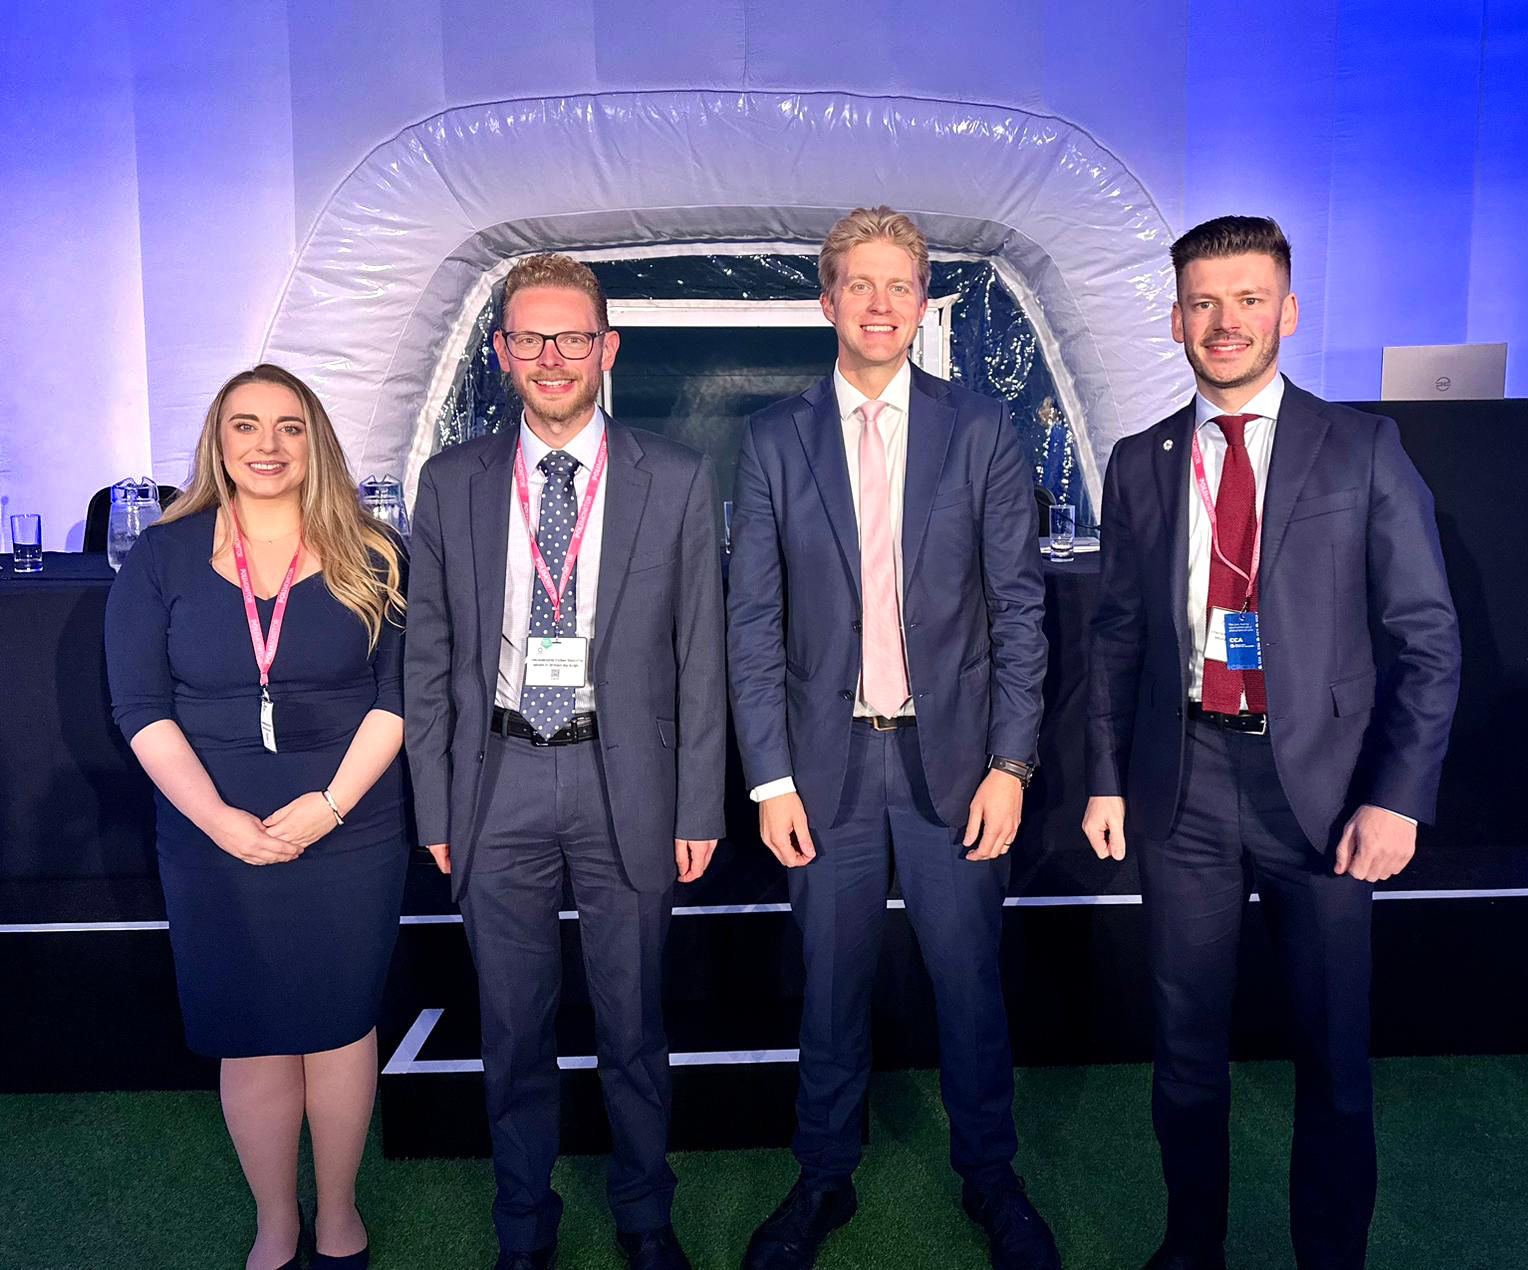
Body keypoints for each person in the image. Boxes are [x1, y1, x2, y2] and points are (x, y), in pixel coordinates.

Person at [1082, 215, 1461, 1270]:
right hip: (1183, 785)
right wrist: (1105, 777)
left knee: (1333, 1055)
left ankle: (1327, 1256)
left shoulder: (1363, 448)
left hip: (1330, 795)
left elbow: (1426, 636)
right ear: (1174, 318)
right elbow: (1114, 636)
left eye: (1248, 299)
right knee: (1184, 1047)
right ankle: (1189, 1246)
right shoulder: (1139, 461)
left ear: (1286, 312)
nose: (1224, 321)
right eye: (1204, 302)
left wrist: (1397, 796)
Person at [726, 207, 1058, 1270]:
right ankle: (823, 1178)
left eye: (899, 284)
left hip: (956, 765)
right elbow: (752, 624)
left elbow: (1018, 608)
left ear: (924, 301)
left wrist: (1012, 764)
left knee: (970, 982)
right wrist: (769, 778)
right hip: (823, 771)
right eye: (858, 284)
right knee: (828, 985)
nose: (878, 304)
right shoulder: (775, 437)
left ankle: (990, 1177)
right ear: (825, 300)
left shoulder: (981, 429)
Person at [405, 254, 726, 1270]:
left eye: (572, 337)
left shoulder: (673, 477)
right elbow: (427, 659)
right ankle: (523, 1227)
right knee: (512, 1029)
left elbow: (702, 657)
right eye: (530, 338)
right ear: (501, 352)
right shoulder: (451, 481)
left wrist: (700, 806)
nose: (552, 357)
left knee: (633, 1022)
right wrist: (436, 805)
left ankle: (644, 1217)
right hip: (495, 781)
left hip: (622, 780)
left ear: (607, 348)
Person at [106, 363, 408, 1270]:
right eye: (246, 426)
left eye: (288, 426)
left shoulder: (376, 550)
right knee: (251, 1028)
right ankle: (278, 1219)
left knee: (339, 1022)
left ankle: (341, 1214)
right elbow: (141, 709)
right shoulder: (162, 555)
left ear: (316, 439)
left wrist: (326, 807)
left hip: (351, 826)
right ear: (218, 441)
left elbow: (398, 700)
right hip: (212, 832)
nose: (267, 446)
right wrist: (220, 822)